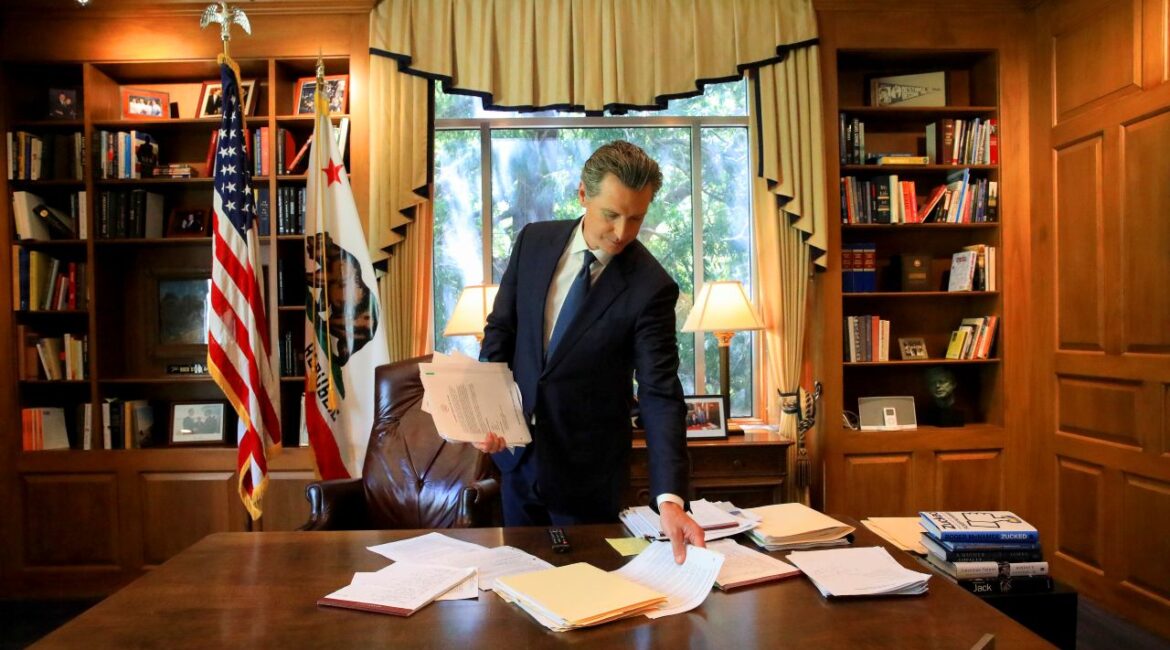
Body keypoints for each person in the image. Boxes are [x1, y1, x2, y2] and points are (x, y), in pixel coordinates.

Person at [476, 140, 704, 564]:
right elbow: (501, 332)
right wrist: (487, 412)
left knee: (588, 605)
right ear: (583, 195)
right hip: (517, 462)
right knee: (517, 596)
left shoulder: (651, 287)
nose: (622, 233)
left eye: (636, 218)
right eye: (611, 215)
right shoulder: (533, 242)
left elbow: (659, 392)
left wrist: (670, 499)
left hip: (588, 477)